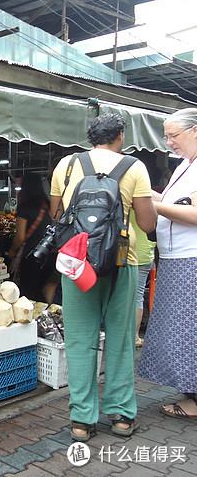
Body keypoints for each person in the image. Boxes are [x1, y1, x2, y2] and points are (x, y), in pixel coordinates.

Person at [50, 114, 156, 442]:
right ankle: (122, 416)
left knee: (80, 341)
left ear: (90, 136)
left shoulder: (66, 166)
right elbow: (148, 223)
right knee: (120, 340)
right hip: (123, 263)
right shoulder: (134, 167)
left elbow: (57, 215)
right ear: (120, 136)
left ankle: (82, 421)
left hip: (77, 264)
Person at [138, 108, 197, 419]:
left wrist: (157, 204)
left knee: (189, 329)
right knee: (179, 329)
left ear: (196, 131)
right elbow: (176, 203)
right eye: (167, 136)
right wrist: (150, 195)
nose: (169, 142)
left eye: (174, 135)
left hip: (192, 259)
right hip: (178, 259)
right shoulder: (184, 167)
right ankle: (190, 392)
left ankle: (195, 400)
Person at [7, 173, 53, 302]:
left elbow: (20, 237)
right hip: (47, 256)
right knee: (42, 293)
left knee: (28, 294)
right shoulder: (48, 205)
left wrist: (11, 252)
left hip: (30, 258)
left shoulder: (25, 207)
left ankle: (29, 320)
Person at [129, 211, 155, 348]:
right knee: (137, 296)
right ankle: (134, 336)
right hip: (145, 251)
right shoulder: (147, 198)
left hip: (128, 250)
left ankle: (129, 336)